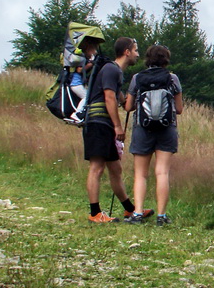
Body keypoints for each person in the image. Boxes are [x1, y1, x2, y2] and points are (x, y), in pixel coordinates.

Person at [83, 37, 152, 223]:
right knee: (96, 167)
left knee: (115, 168)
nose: (138, 54)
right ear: (127, 52)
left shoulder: (115, 72)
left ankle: (129, 210)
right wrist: (118, 126)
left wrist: (130, 101)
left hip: (102, 123)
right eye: (135, 50)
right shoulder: (112, 69)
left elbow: (120, 100)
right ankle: (95, 213)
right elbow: (109, 98)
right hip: (99, 122)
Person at [123, 44, 183, 227]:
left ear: (147, 59)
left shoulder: (137, 78)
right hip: (167, 129)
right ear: (166, 59)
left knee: (140, 174)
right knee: (162, 172)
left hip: (143, 128)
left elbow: (128, 107)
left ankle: (138, 213)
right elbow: (179, 109)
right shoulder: (172, 78)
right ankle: (161, 216)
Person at [65, 37, 98, 125]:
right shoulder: (82, 59)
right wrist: (91, 63)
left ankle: (80, 115)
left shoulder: (82, 58)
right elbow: (80, 70)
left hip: (75, 83)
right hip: (76, 83)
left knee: (86, 97)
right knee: (86, 97)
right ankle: (76, 115)